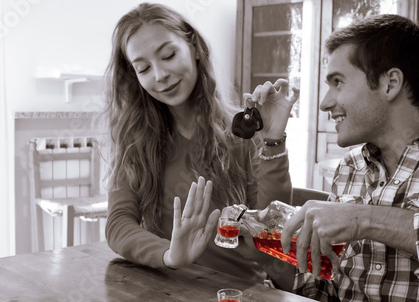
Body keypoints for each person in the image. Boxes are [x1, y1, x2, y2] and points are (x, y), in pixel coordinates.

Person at [277, 14, 419, 302]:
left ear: (389, 83)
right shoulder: (349, 169)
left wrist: (364, 219)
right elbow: (325, 288)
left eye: (337, 82)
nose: (325, 103)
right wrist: (269, 260)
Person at [100, 2, 299, 284]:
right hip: (167, 293)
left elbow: (271, 231)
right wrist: (169, 255)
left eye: (168, 55)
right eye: (143, 69)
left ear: (193, 46)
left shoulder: (242, 132)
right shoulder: (135, 140)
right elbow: (118, 224)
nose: (160, 75)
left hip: (236, 296)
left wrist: (274, 139)